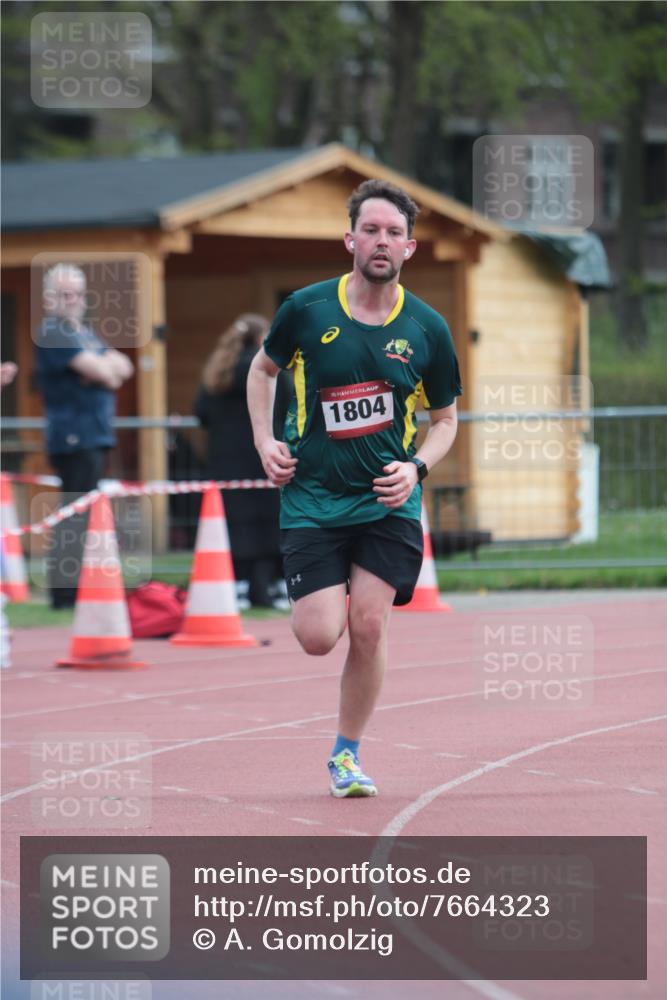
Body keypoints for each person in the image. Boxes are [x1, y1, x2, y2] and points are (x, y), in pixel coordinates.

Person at [247, 179, 461, 797]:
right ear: (350, 239)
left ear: (409, 248)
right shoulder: (307, 309)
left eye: (394, 233)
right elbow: (262, 370)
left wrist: (415, 469)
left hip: (386, 499)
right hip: (312, 496)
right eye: (371, 230)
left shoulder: (427, 328)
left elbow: (446, 421)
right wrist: (265, 440)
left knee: (368, 624)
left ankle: (347, 755)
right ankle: (322, 598)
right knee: (319, 636)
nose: (381, 241)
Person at [34, 263, 134, 609]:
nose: (73, 300)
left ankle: (79, 587)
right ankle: (64, 593)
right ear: (49, 299)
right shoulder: (54, 332)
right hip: (73, 436)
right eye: (65, 294)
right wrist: (102, 371)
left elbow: (122, 368)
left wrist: (104, 371)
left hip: (95, 434)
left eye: (77, 294)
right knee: (74, 514)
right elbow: (104, 371)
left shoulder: (84, 333)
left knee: (86, 514)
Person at [194, 314, 292, 608]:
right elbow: (288, 408)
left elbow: (201, 413)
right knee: (270, 524)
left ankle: (236, 588)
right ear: (262, 337)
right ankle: (272, 587)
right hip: (266, 457)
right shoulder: (270, 371)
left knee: (233, 525)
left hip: (226, 460)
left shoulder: (218, 373)